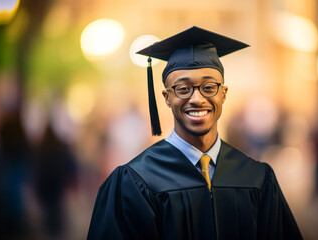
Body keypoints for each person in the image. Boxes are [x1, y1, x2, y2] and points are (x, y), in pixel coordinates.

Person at [87, 26, 302, 240]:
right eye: (183, 89)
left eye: (209, 87)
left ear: (224, 94)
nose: (197, 98)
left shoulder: (257, 178)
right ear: (166, 97)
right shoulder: (134, 181)